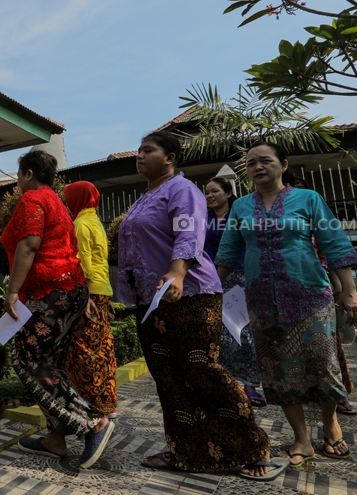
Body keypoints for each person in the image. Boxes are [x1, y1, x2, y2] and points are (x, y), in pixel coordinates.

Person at [118, 132, 280, 480]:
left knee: (201, 369)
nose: (140, 156)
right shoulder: (144, 197)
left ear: (171, 157)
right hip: (152, 301)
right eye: (139, 151)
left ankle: (254, 445)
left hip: (189, 291)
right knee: (168, 378)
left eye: (149, 150)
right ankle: (186, 450)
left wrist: (177, 271)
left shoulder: (182, 190)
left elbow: (188, 231)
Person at [216, 142, 357, 467]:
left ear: (283, 165)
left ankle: (330, 423)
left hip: (310, 297)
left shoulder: (308, 199)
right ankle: (302, 439)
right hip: (262, 303)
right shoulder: (241, 207)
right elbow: (227, 253)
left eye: (265, 160)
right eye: (251, 163)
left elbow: (335, 243)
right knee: (277, 371)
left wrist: (349, 291)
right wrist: (210, 291)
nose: (257, 167)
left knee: (323, 365)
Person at [3, 151, 114, 470]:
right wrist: (84, 295)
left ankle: (94, 422)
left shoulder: (33, 199)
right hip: (71, 289)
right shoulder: (61, 206)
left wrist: (12, 291)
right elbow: (70, 251)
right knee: (52, 363)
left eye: (19, 174)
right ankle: (55, 438)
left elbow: (30, 244)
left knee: (29, 360)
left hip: (49, 291)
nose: (19, 180)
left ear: (27, 173)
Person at [290, 176, 357, 417]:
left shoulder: (315, 217)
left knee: (327, 346)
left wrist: (342, 287)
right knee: (295, 347)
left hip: (319, 285)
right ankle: (311, 391)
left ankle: (340, 394)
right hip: (286, 290)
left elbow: (332, 251)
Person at [203, 177, 266, 407]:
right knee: (216, 334)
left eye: (214, 191)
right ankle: (224, 385)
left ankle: (249, 386)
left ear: (229, 193)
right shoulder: (203, 219)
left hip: (239, 278)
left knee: (243, 332)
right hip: (209, 281)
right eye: (207, 192)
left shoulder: (239, 215)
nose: (209, 196)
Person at [63, 180, 118, 420]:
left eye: (69, 197)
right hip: (102, 289)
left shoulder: (80, 223)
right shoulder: (96, 222)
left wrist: (84, 293)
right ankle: (107, 401)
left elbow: (82, 260)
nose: (66, 202)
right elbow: (101, 261)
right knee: (102, 346)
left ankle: (94, 405)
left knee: (84, 349)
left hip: (89, 291)